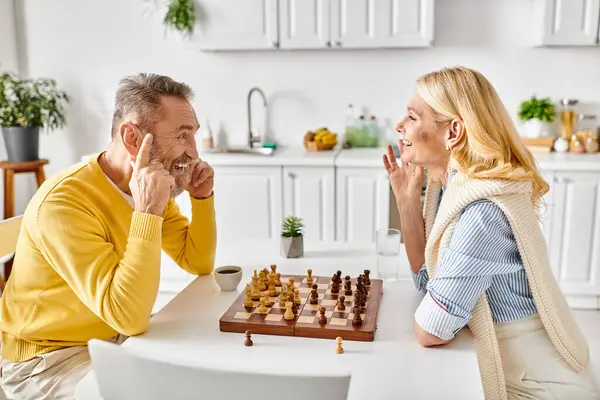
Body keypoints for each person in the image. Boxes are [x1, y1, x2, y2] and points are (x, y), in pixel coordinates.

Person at [383, 66, 599, 399]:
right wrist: (407, 202)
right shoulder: (454, 186)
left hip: (542, 388)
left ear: (453, 131)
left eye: (412, 116)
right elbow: (428, 283)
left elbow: (431, 330)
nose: (399, 125)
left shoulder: (481, 212)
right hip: (516, 371)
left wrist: (436, 307)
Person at [0, 73, 217, 399]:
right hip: (48, 359)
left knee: (204, 372)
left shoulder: (146, 186)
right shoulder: (64, 203)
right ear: (132, 138)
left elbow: (197, 261)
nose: (194, 153)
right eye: (182, 136)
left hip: (111, 336)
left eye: (193, 136)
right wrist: (147, 213)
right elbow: (130, 317)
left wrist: (201, 199)